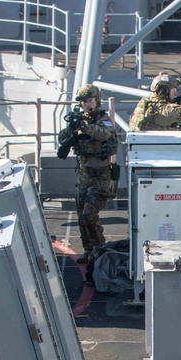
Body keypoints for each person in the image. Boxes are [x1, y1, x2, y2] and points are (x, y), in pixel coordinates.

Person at [58, 84, 119, 264]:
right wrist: (72, 128)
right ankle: (88, 249)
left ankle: (99, 248)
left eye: (89, 100)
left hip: (101, 174)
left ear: (96, 100)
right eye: (83, 101)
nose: (86, 104)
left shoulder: (104, 119)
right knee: (81, 215)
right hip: (85, 173)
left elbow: (104, 134)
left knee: (89, 215)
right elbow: (62, 137)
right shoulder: (80, 119)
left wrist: (84, 127)